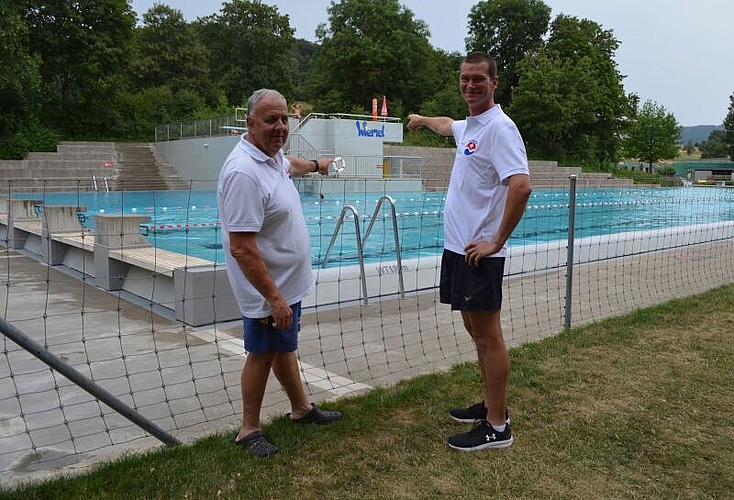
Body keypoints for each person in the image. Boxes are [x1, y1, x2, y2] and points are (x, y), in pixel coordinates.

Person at [407, 51, 532, 451]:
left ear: (495, 82)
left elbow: (521, 185)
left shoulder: (501, 128)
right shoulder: (472, 126)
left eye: (479, 79)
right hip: (459, 250)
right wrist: (424, 121)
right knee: (474, 329)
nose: (470, 85)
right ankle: (490, 405)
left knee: (488, 335)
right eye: (465, 78)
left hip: (480, 253)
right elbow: (449, 126)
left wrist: (496, 241)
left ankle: (497, 426)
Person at [218, 88, 341, 458]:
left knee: (284, 348)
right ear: (250, 123)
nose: (281, 126)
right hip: (267, 290)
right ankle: (249, 429)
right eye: (271, 119)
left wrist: (318, 166)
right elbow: (241, 246)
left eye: (285, 119)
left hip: (286, 285)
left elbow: (291, 165)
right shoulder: (243, 172)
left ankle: (301, 408)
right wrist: (273, 298)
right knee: (262, 355)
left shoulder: (271, 158)